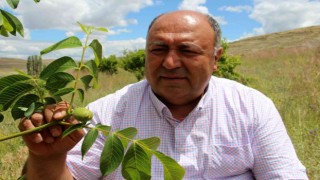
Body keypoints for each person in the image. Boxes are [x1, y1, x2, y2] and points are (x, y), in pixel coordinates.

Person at [19, 10, 308, 179]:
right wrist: (46, 159)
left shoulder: (252, 107)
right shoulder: (107, 113)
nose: (170, 63)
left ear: (216, 58)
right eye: (158, 50)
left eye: (187, 50)